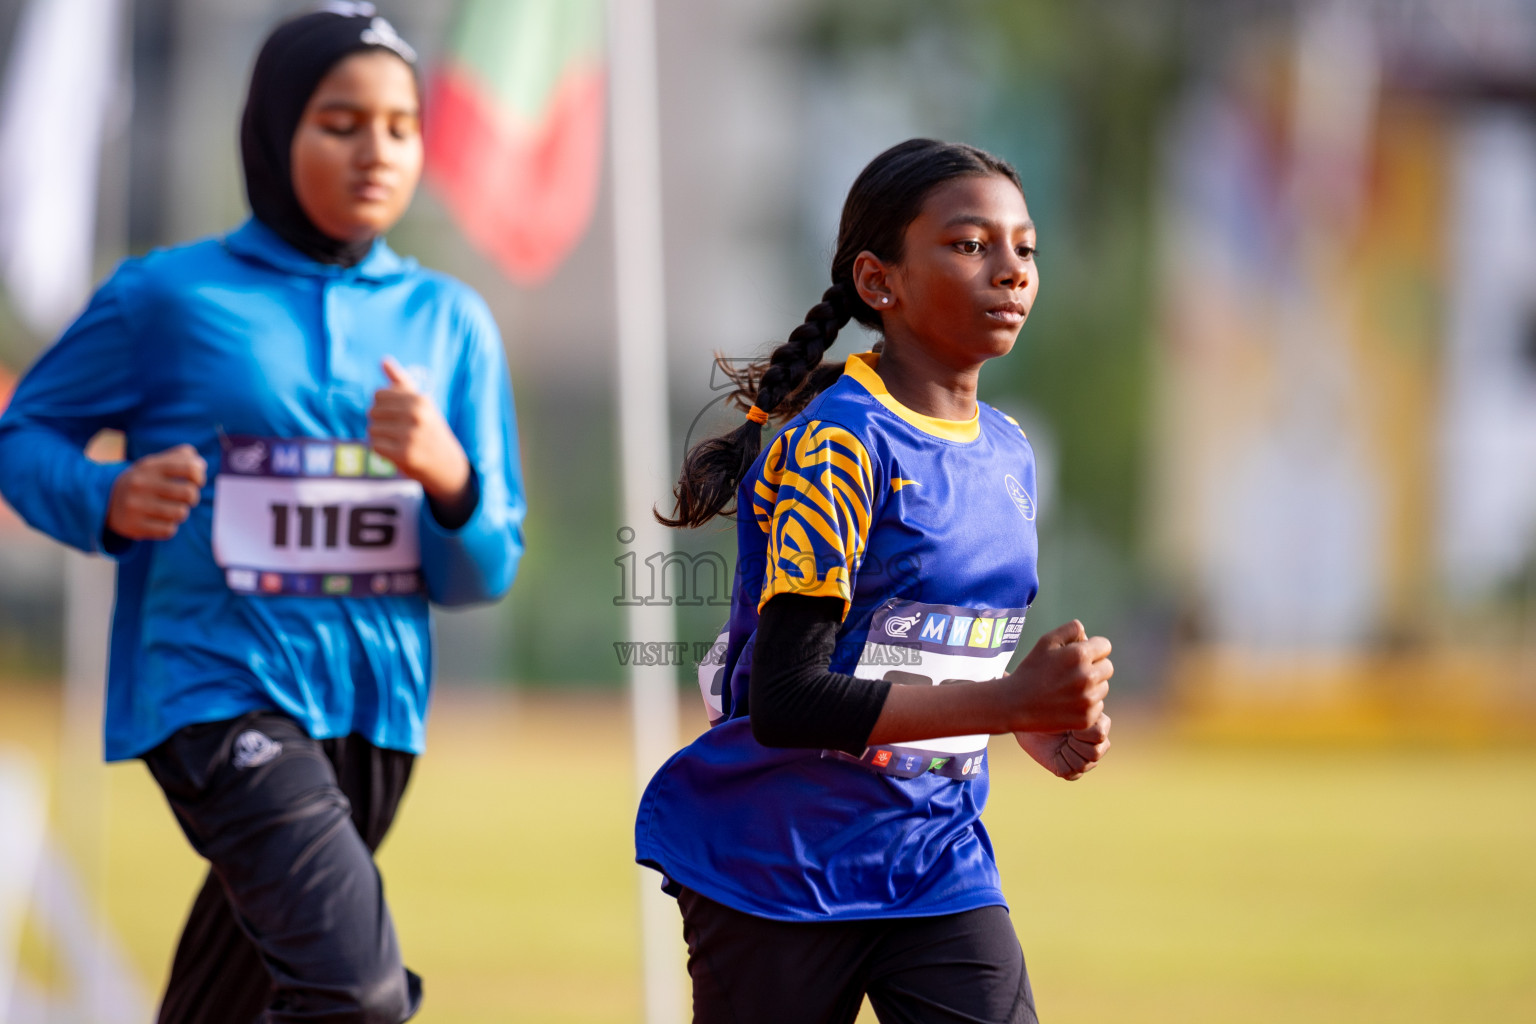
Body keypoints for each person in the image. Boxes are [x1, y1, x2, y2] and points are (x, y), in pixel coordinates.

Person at [0, 6, 524, 1022]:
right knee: (354, 992)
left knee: (230, 996)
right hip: (213, 687)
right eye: (341, 121)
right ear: (275, 128)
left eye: (402, 126)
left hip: (374, 711)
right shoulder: (167, 297)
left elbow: (483, 571)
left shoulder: (452, 321)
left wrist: (448, 475)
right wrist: (108, 495)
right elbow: (22, 438)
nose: (377, 149)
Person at [636, 138, 1114, 1024]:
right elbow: (789, 698)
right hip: (779, 866)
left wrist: (1026, 722)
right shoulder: (840, 444)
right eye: (971, 245)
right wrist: (1009, 702)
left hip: (934, 856)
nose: (1010, 270)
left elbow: (932, 665)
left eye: (1026, 248)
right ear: (877, 280)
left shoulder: (1009, 450)